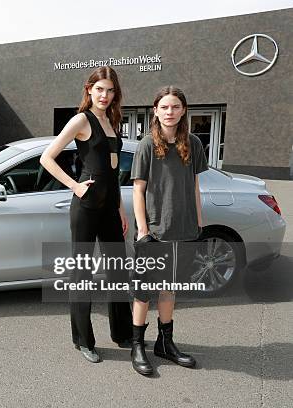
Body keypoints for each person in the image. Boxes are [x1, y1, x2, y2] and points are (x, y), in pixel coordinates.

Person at [40, 66, 133, 363]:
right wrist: (75, 186)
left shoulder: (111, 121)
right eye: (100, 89)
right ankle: (83, 340)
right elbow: (47, 157)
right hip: (86, 207)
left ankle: (123, 333)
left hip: (109, 206)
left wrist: (120, 209)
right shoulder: (82, 119)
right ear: (89, 90)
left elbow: (114, 171)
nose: (104, 95)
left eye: (110, 90)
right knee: (82, 274)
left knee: (118, 271)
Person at [129, 86, 208, 376]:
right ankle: (138, 346)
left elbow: (196, 187)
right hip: (155, 232)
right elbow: (138, 191)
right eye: (165, 107)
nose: (170, 112)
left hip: (184, 230)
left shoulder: (195, 143)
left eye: (175, 106)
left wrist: (199, 225)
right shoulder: (147, 144)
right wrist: (142, 231)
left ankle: (165, 343)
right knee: (143, 291)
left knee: (169, 288)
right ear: (156, 111)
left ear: (183, 110)